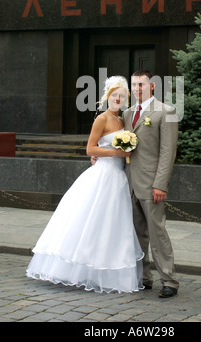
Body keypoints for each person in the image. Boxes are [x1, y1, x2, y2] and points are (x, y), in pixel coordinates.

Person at [26, 76, 144, 294]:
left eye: (122, 96)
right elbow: (90, 149)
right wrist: (113, 153)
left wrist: (123, 154)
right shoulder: (102, 119)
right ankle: (81, 269)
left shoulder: (124, 120)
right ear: (108, 97)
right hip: (103, 175)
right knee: (91, 221)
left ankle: (106, 270)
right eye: (115, 95)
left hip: (120, 177)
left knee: (112, 226)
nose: (118, 98)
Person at [123, 70, 179, 298]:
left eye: (141, 85)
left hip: (151, 183)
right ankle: (144, 278)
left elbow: (168, 152)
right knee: (137, 234)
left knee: (157, 233)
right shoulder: (127, 113)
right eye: (134, 85)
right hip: (129, 183)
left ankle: (169, 280)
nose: (137, 89)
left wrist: (160, 184)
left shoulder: (167, 111)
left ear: (151, 86)